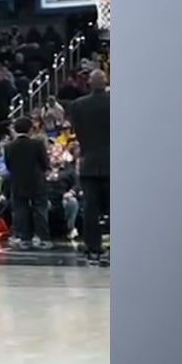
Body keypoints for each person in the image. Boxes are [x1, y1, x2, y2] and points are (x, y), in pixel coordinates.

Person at [67, 69, 110, 266]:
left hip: (89, 162)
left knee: (91, 209)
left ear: (89, 84)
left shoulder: (77, 106)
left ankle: (93, 248)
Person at [4, 116, 52, 249]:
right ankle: (44, 238)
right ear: (31, 129)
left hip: (18, 182)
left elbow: (8, 166)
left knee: (20, 210)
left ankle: (24, 238)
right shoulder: (37, 144)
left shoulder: (9, 146)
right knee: (40, 209)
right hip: (37, 182)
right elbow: (44, 163)